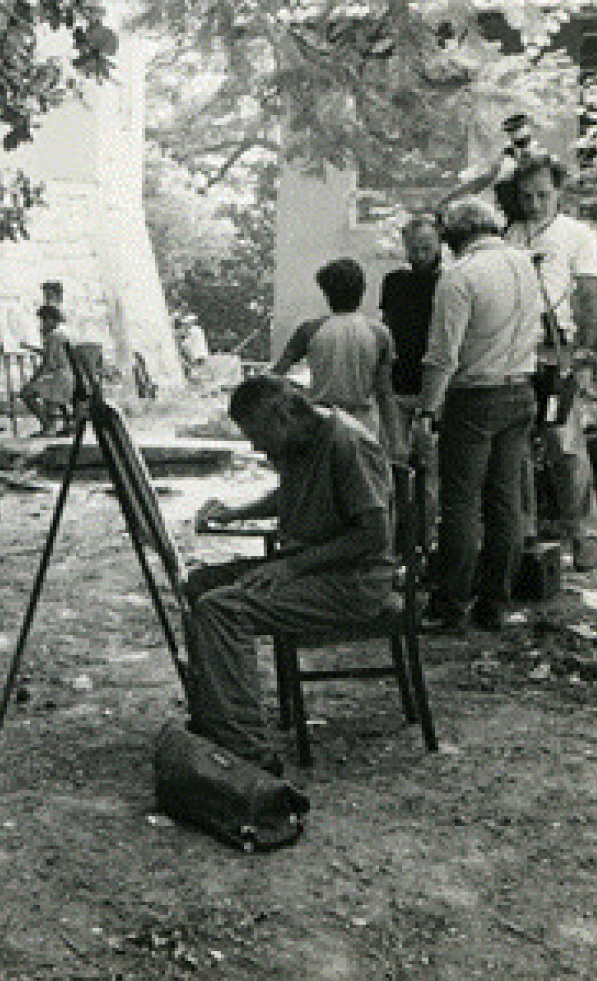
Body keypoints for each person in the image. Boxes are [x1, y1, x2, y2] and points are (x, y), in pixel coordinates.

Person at [188, 376, 397, 773]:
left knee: (221, 609)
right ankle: (216, 717)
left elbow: (374, 536)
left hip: (354, 582)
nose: (256, 447)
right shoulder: (300, 441)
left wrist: (291, 567)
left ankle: (247, 750)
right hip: (313, 567)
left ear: (284, 416)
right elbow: (291, 495)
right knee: (199, 585)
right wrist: (235, 513)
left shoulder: (347, 443)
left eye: (258, 435)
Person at [411, 199, 542, 634]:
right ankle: (494, 604)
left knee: (461, 503)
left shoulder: (460, 276)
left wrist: (426, 412)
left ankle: (450, 606)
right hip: (521, 389)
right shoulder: (526, 264)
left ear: (454, 236)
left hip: (475, 396)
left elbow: (442, 355)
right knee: (505, 502)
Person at [501, 155, 597, 572]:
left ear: (558, 191)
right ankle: (523, 533)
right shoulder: (509, 233)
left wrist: (585, 354)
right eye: (526, 195)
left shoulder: (577, 234)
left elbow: (589, 293)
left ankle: (585, 536)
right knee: (517, 447)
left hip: (556, 354)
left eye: (543, 194)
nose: (534, 203)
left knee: (564, 443)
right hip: (515, 355)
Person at [272, 257, 396, 447]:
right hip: (363, 424)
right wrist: (395, 439)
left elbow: (276, 376)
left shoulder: (310, 330)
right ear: (362, 290)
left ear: (326, 292)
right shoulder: (379, 333)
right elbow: (384, 391)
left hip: (322, 420)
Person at [379, 213, 445, 455]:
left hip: (436, 383)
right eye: (413, 250)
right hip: (399, 381)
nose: (420, 256)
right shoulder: (394, 282)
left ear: (439, 244)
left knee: (434, 458)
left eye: (426, 248)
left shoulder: (449, 282)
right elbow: (386, 327)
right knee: (394, 455)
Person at [19, 304, 76, 437]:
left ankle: (48, 426)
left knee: (26, 393)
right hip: (68, 375)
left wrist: (33, 379)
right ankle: (66, 425)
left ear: (52, 320)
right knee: (49, 393)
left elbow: (48, 364)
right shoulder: (61, 334)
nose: (42, 324)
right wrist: (33, 349)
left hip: (59, 377)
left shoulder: (52, 336)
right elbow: (55, 355)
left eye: (44, 320)